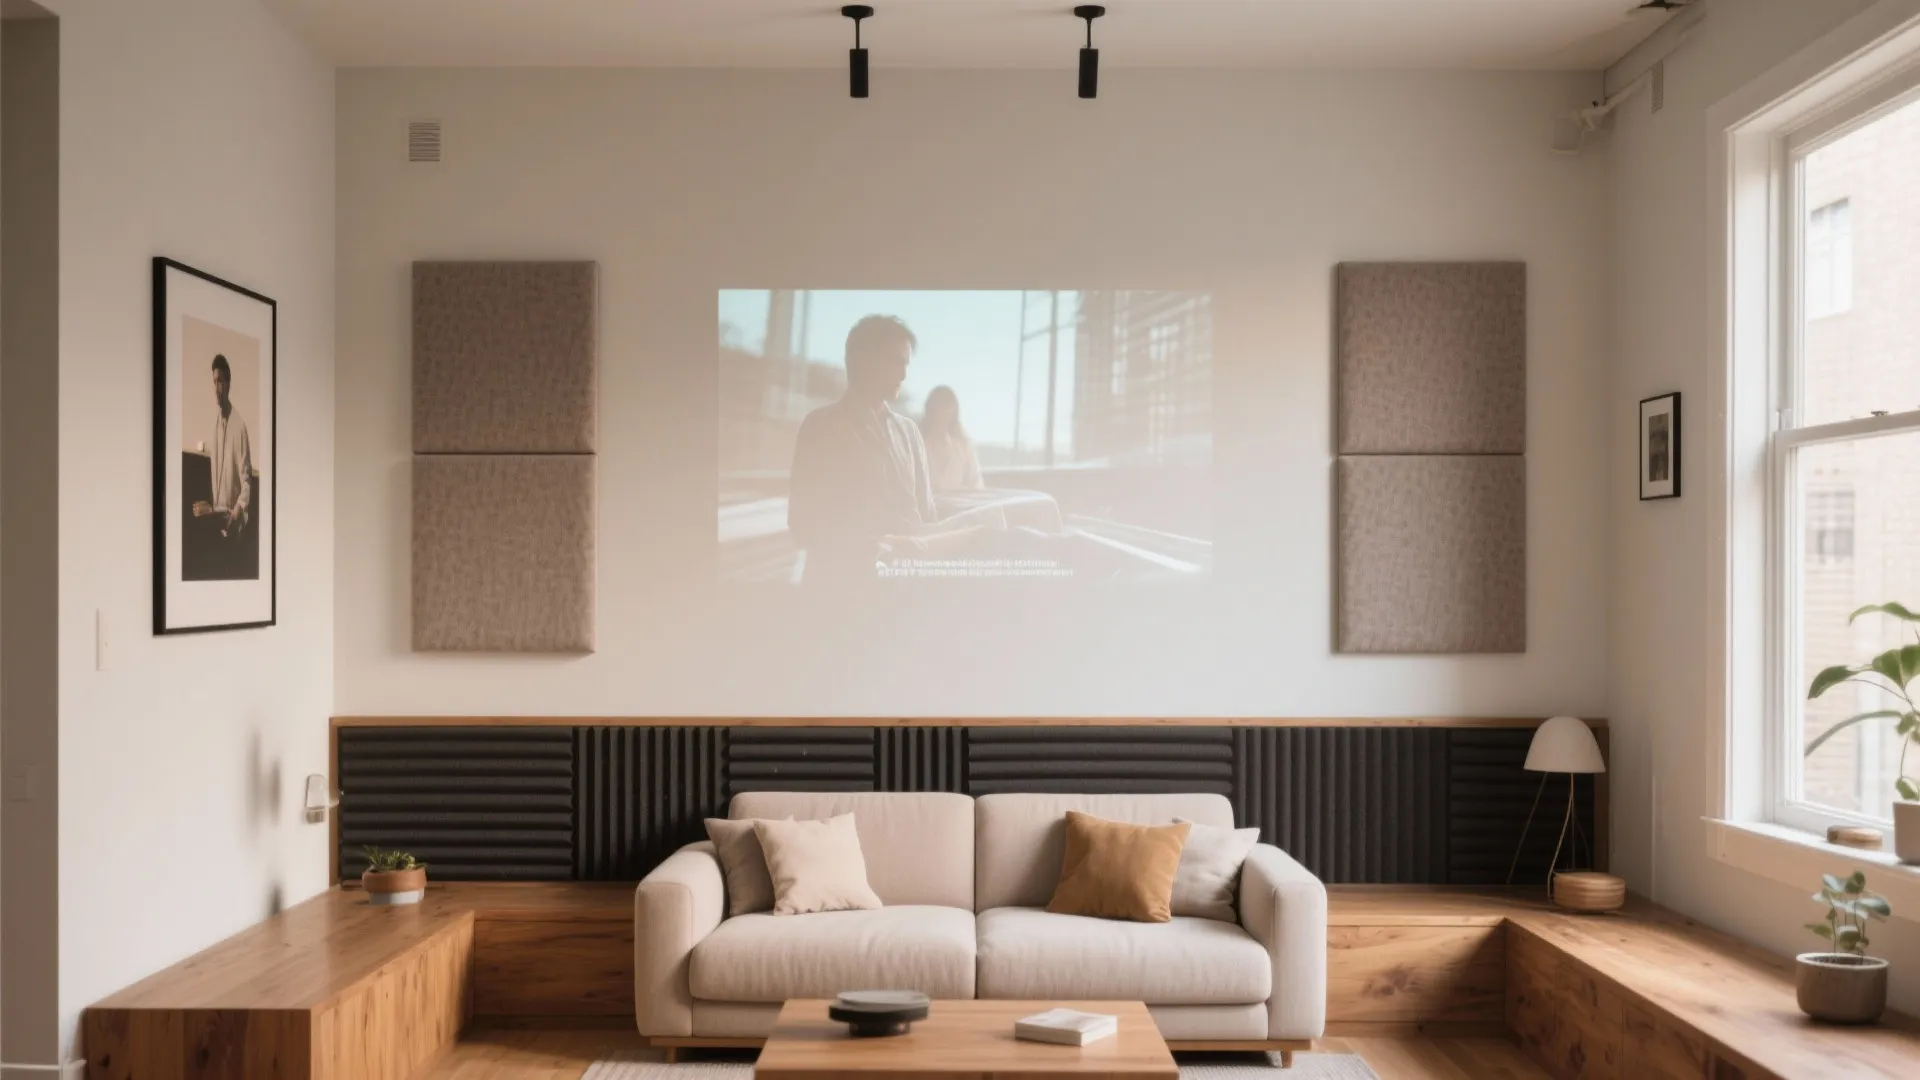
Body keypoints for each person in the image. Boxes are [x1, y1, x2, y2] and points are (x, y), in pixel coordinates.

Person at [786, 315, 940, 582]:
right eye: (896, 361)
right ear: (865, 361)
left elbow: (927, 515)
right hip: (843, 589)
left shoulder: (909, 433)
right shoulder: (821, 427)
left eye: (906, 363)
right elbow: (803, 523)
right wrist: (881, 541)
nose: (904, 374)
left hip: (903, 586)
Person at [193, 353, 252, 537]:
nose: (217, 388)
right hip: (217, 525)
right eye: (214, 382)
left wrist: (236, 512)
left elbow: (247, 483)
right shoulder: (215, 426)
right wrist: (208, 508)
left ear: (228, 384)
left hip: (234, 528)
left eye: (220, 382)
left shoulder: (239, 427)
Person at [919, 385, 984, 493]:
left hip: (960, 507)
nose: (942, 418)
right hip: (926, 507)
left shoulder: (963, 446)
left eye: (947, 413)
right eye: (937, 412)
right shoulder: (916, 444)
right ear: (930, 413)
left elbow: (976, 486)